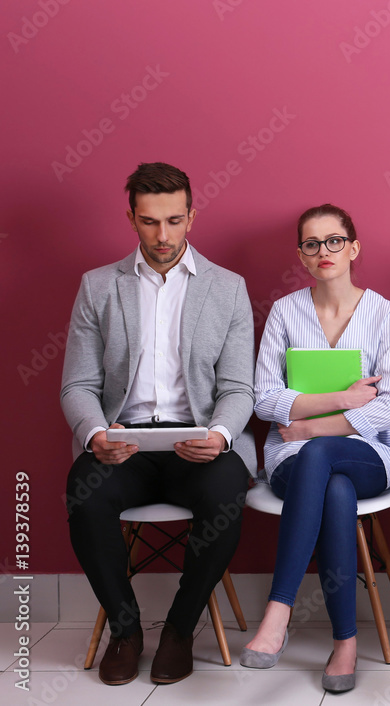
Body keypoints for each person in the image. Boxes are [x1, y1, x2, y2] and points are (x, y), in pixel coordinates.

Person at [61, 162, 256, 686]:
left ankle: (178, 627)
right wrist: (97, 435)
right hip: (121, 445)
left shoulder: (228, 289)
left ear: (192, 216)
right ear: (131, 219)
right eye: (150, 222)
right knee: (83, 490)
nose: (163, 235)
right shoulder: (98, 286)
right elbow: (77, 385)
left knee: (227, 487)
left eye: (174, 220)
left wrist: (218, 436)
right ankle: (125, 629)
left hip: (197, 441)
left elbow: (239, 388)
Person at [238, 204, 390, 694]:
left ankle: (278, 611)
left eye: (334, 241)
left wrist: (314, 425)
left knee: (321, 456)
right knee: (334, 492)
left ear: (353, 247)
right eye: (312, 244)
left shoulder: (384, 314)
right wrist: (342, 398)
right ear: (301, 256)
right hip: (290, 459)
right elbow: (265, 399)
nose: (324, 252)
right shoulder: (284, 312)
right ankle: (346, 642)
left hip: (368, 454)